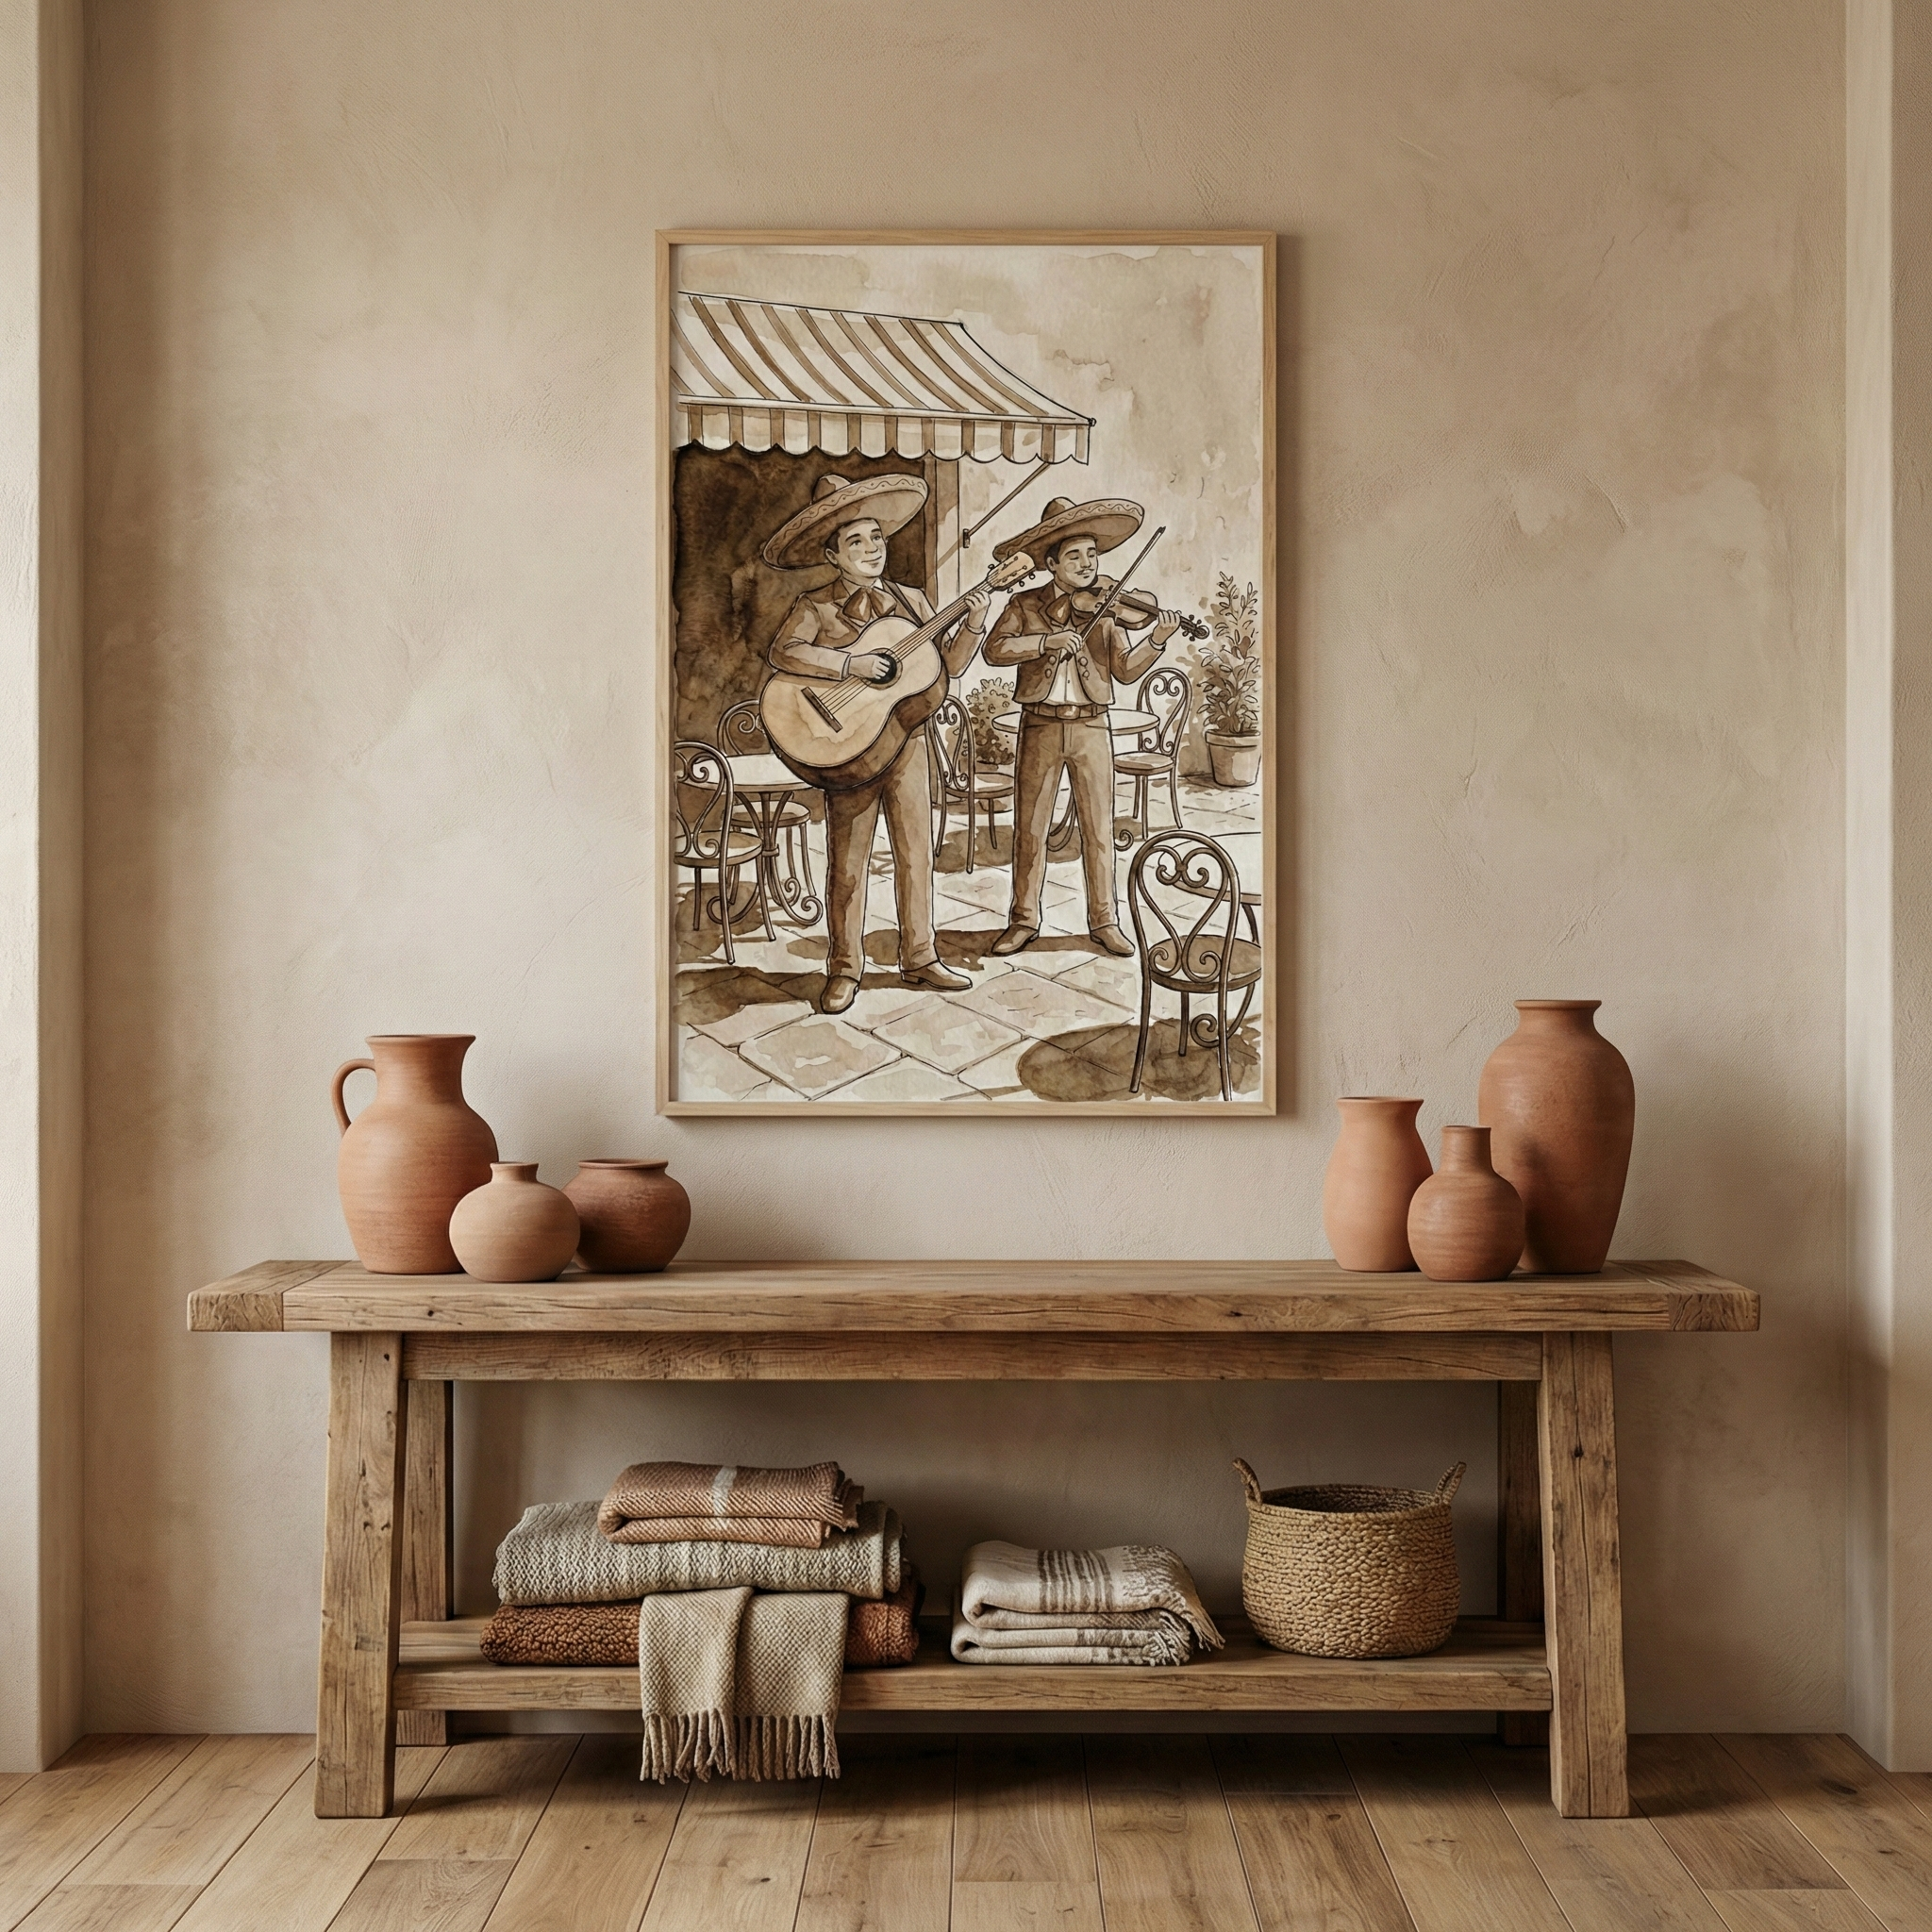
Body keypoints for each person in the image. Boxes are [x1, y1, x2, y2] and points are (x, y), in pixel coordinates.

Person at [762, 473, 990, 1014]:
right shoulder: (815, 606)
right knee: (848, 864)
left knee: (916, 854)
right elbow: (784, 653)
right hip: (847, 749)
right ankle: (844, 968)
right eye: (855, 541)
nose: (871, 550)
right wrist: (851, 664)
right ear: (832, 555)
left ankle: (920, 956)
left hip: (908, 746)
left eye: (877, 538)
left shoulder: (912, 601)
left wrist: (974, 625)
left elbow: (944, 669)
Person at [981, 496, 1182, 958]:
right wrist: (1045, 641)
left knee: (1098, 827)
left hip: (1093, 726)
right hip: (1041, 725)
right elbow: (996, 650)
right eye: (1075, 556)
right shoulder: (1025, 603)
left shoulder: (1107, 607)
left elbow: (1126, 670)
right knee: (1030, 827)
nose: (1088, 564)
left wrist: (1155, 639)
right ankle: (1024, 919)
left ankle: (1104, 920)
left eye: (1093, 555)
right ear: (1051, 563)